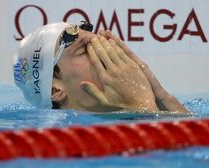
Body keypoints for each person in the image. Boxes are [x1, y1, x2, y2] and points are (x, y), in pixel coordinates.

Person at [13, 22, 188, 114]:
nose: (107, 52)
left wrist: (160, 96)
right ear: (54, 90)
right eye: (85, 50)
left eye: (102, 43)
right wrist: (141, 105)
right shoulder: (72, 150)